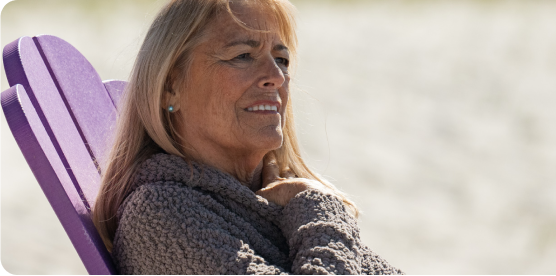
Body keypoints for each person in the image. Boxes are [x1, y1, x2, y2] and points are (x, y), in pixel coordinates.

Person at [92, 0, 403, 274]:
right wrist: (317, 207)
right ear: (170, 86)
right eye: (243, 55)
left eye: (281, 59)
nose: (276, 76)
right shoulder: (159, 218)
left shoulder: (272, 207)